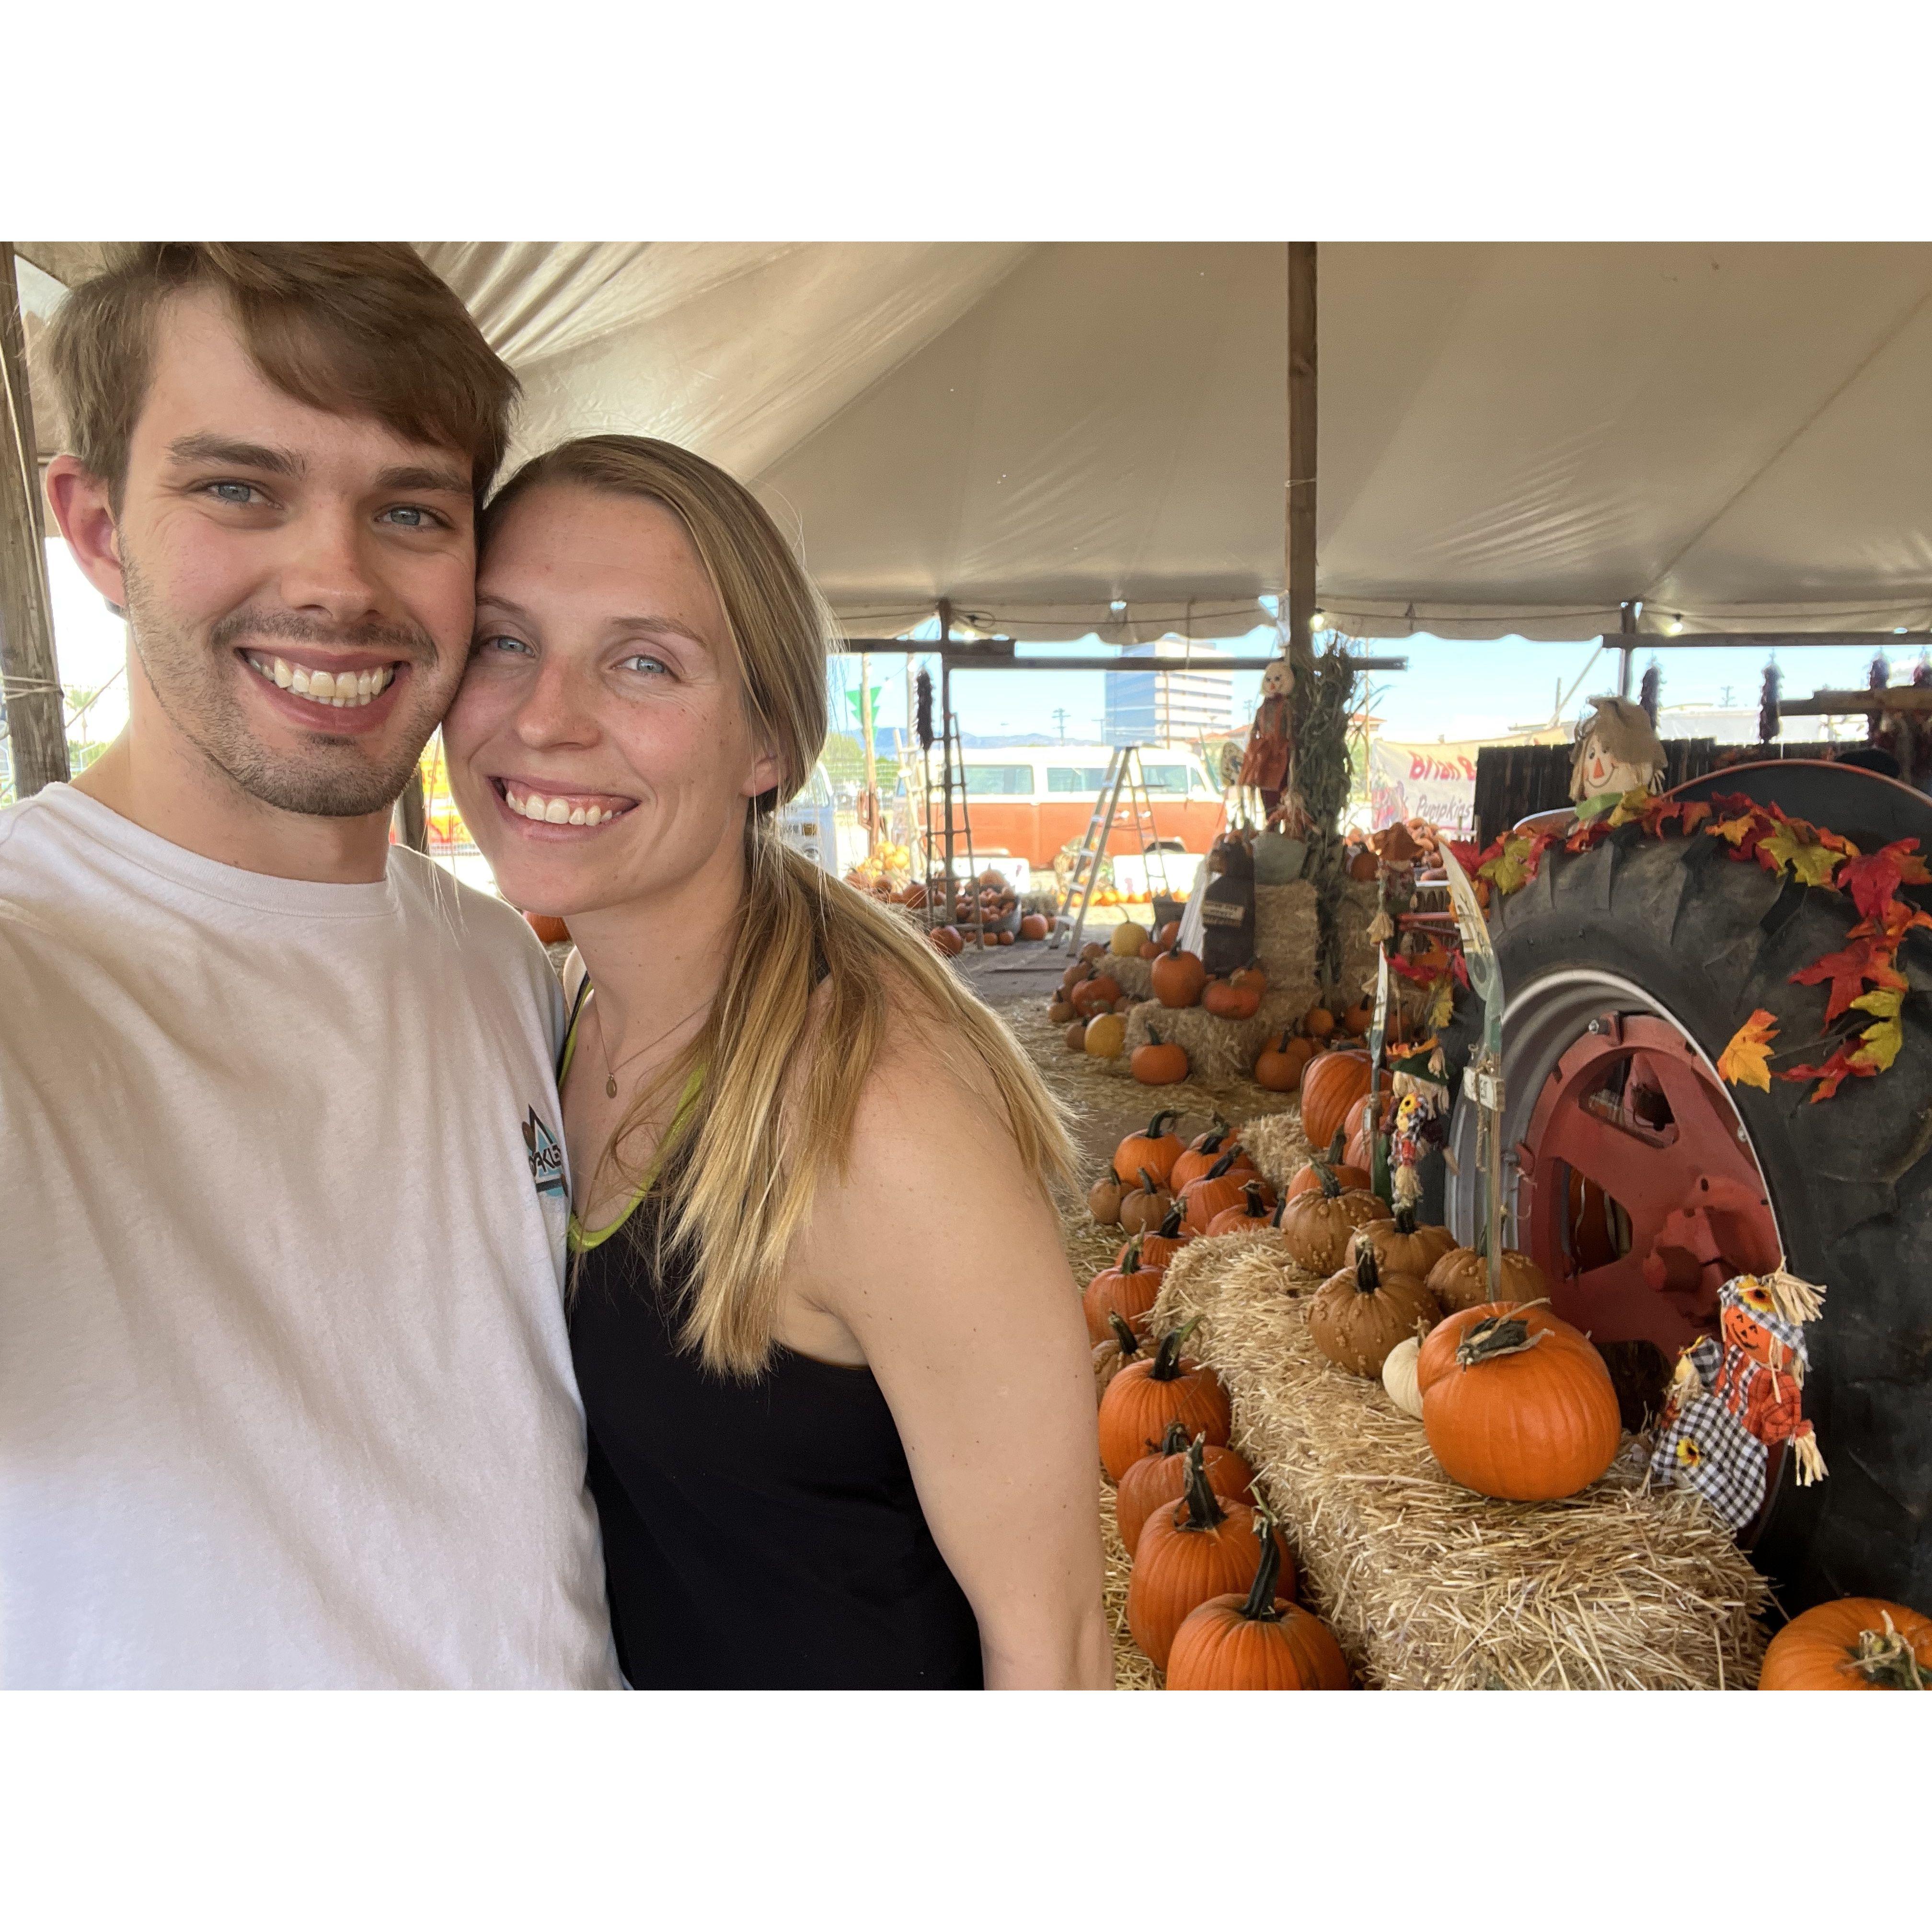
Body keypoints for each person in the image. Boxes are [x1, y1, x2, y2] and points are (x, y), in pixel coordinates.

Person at [0, 245, 619, 1688]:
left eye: (410, 508)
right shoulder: (34, 969)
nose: (337, 582)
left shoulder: (502, 965)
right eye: (238, 489)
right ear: (96, 528)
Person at [442, 436, 1112, 1688]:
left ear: (769, 746)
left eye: (643, 662)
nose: (544, 716)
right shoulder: (564, 1005)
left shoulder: (882, 1120)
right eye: (504, 639)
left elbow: (1058, 1645)